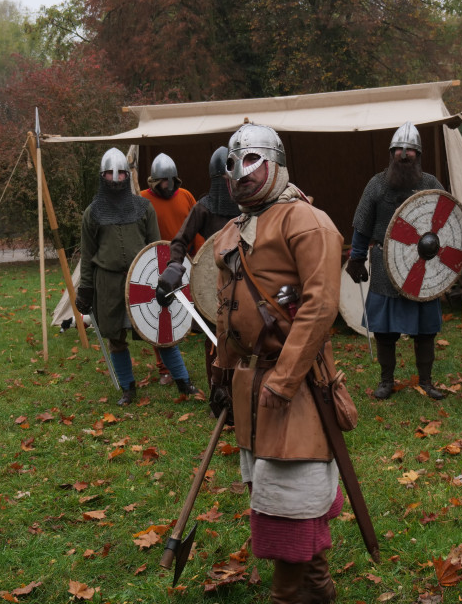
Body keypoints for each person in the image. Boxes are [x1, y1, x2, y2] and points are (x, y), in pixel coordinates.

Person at [209, 123, 345, 604]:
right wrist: (223, 375)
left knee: (292, 503)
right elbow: (226, 311)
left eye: (251, 162)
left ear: (276, 162)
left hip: (298, 385)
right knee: (273, 496)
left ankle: (288, 598)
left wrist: (284, 381)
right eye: (233, 164)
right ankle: (320, 592)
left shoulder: (306, 221)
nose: (240, 174)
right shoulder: (234, 228)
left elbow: (321, 306)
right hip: (252, 387)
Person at [74, 148, 199, 406]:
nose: (116, 178)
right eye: (110, 173)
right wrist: (86, 289)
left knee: (159, 331)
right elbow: (88, 255)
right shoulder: (92, 213)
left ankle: (183, 382)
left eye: (120, 173)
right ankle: (128, 388)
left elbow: (157, 249)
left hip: (143, 279)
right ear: (102, 175)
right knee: (116, 337)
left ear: (127, 176)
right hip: (107, 283)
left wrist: (163, 280)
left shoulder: (144, 209)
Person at [345, 122, 447, 401]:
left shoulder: (430, 184)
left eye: (410, 150)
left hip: (422, 267)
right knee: (385, 330)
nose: (404, 154)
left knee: (425, 330)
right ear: (391, 153)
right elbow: (362, 226)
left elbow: (447, 223)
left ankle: (425, 381)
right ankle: (386, 380)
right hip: (385, 263)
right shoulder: (377, 185)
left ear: (419, 154)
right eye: (399, 149)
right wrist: (356, 258)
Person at [155, 146, 240, 386]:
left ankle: (243, 387)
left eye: (230, 177)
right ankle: (218, 390)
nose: (228, 182)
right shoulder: (205, 207)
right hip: (216, 282)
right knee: (215, 338)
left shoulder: (249, 204)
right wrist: (174, 265)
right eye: (223, 178)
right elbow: (180, 240)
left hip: (247, 280)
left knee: (245, 337)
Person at [141, 153, 201, 385]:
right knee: (159, 317)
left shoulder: (185, 196)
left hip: (184, 262)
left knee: (184, 313)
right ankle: (164, 368)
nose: (167, 185)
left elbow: (196, 226)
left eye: (171, 180)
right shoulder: (143, 200)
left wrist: (197, 254)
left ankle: (175, 361)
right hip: (156, 266)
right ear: (155, 181)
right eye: (163, 181)